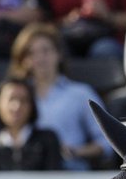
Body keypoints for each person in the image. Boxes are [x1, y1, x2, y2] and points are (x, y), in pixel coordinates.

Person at [7, 22, 109, 170]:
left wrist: (76, 151)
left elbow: (107, 142)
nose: (40, 58)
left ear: (59, 53)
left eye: (46, 50)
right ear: (23, 60)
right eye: (31, 53)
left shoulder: (81, 93)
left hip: (71, 174)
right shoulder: (14, 96)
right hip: (23, 176)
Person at [0, 76, 65, 170]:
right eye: (11, 99)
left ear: (32, 105)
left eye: (23, 100)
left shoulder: (48, 140)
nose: (16, 106)